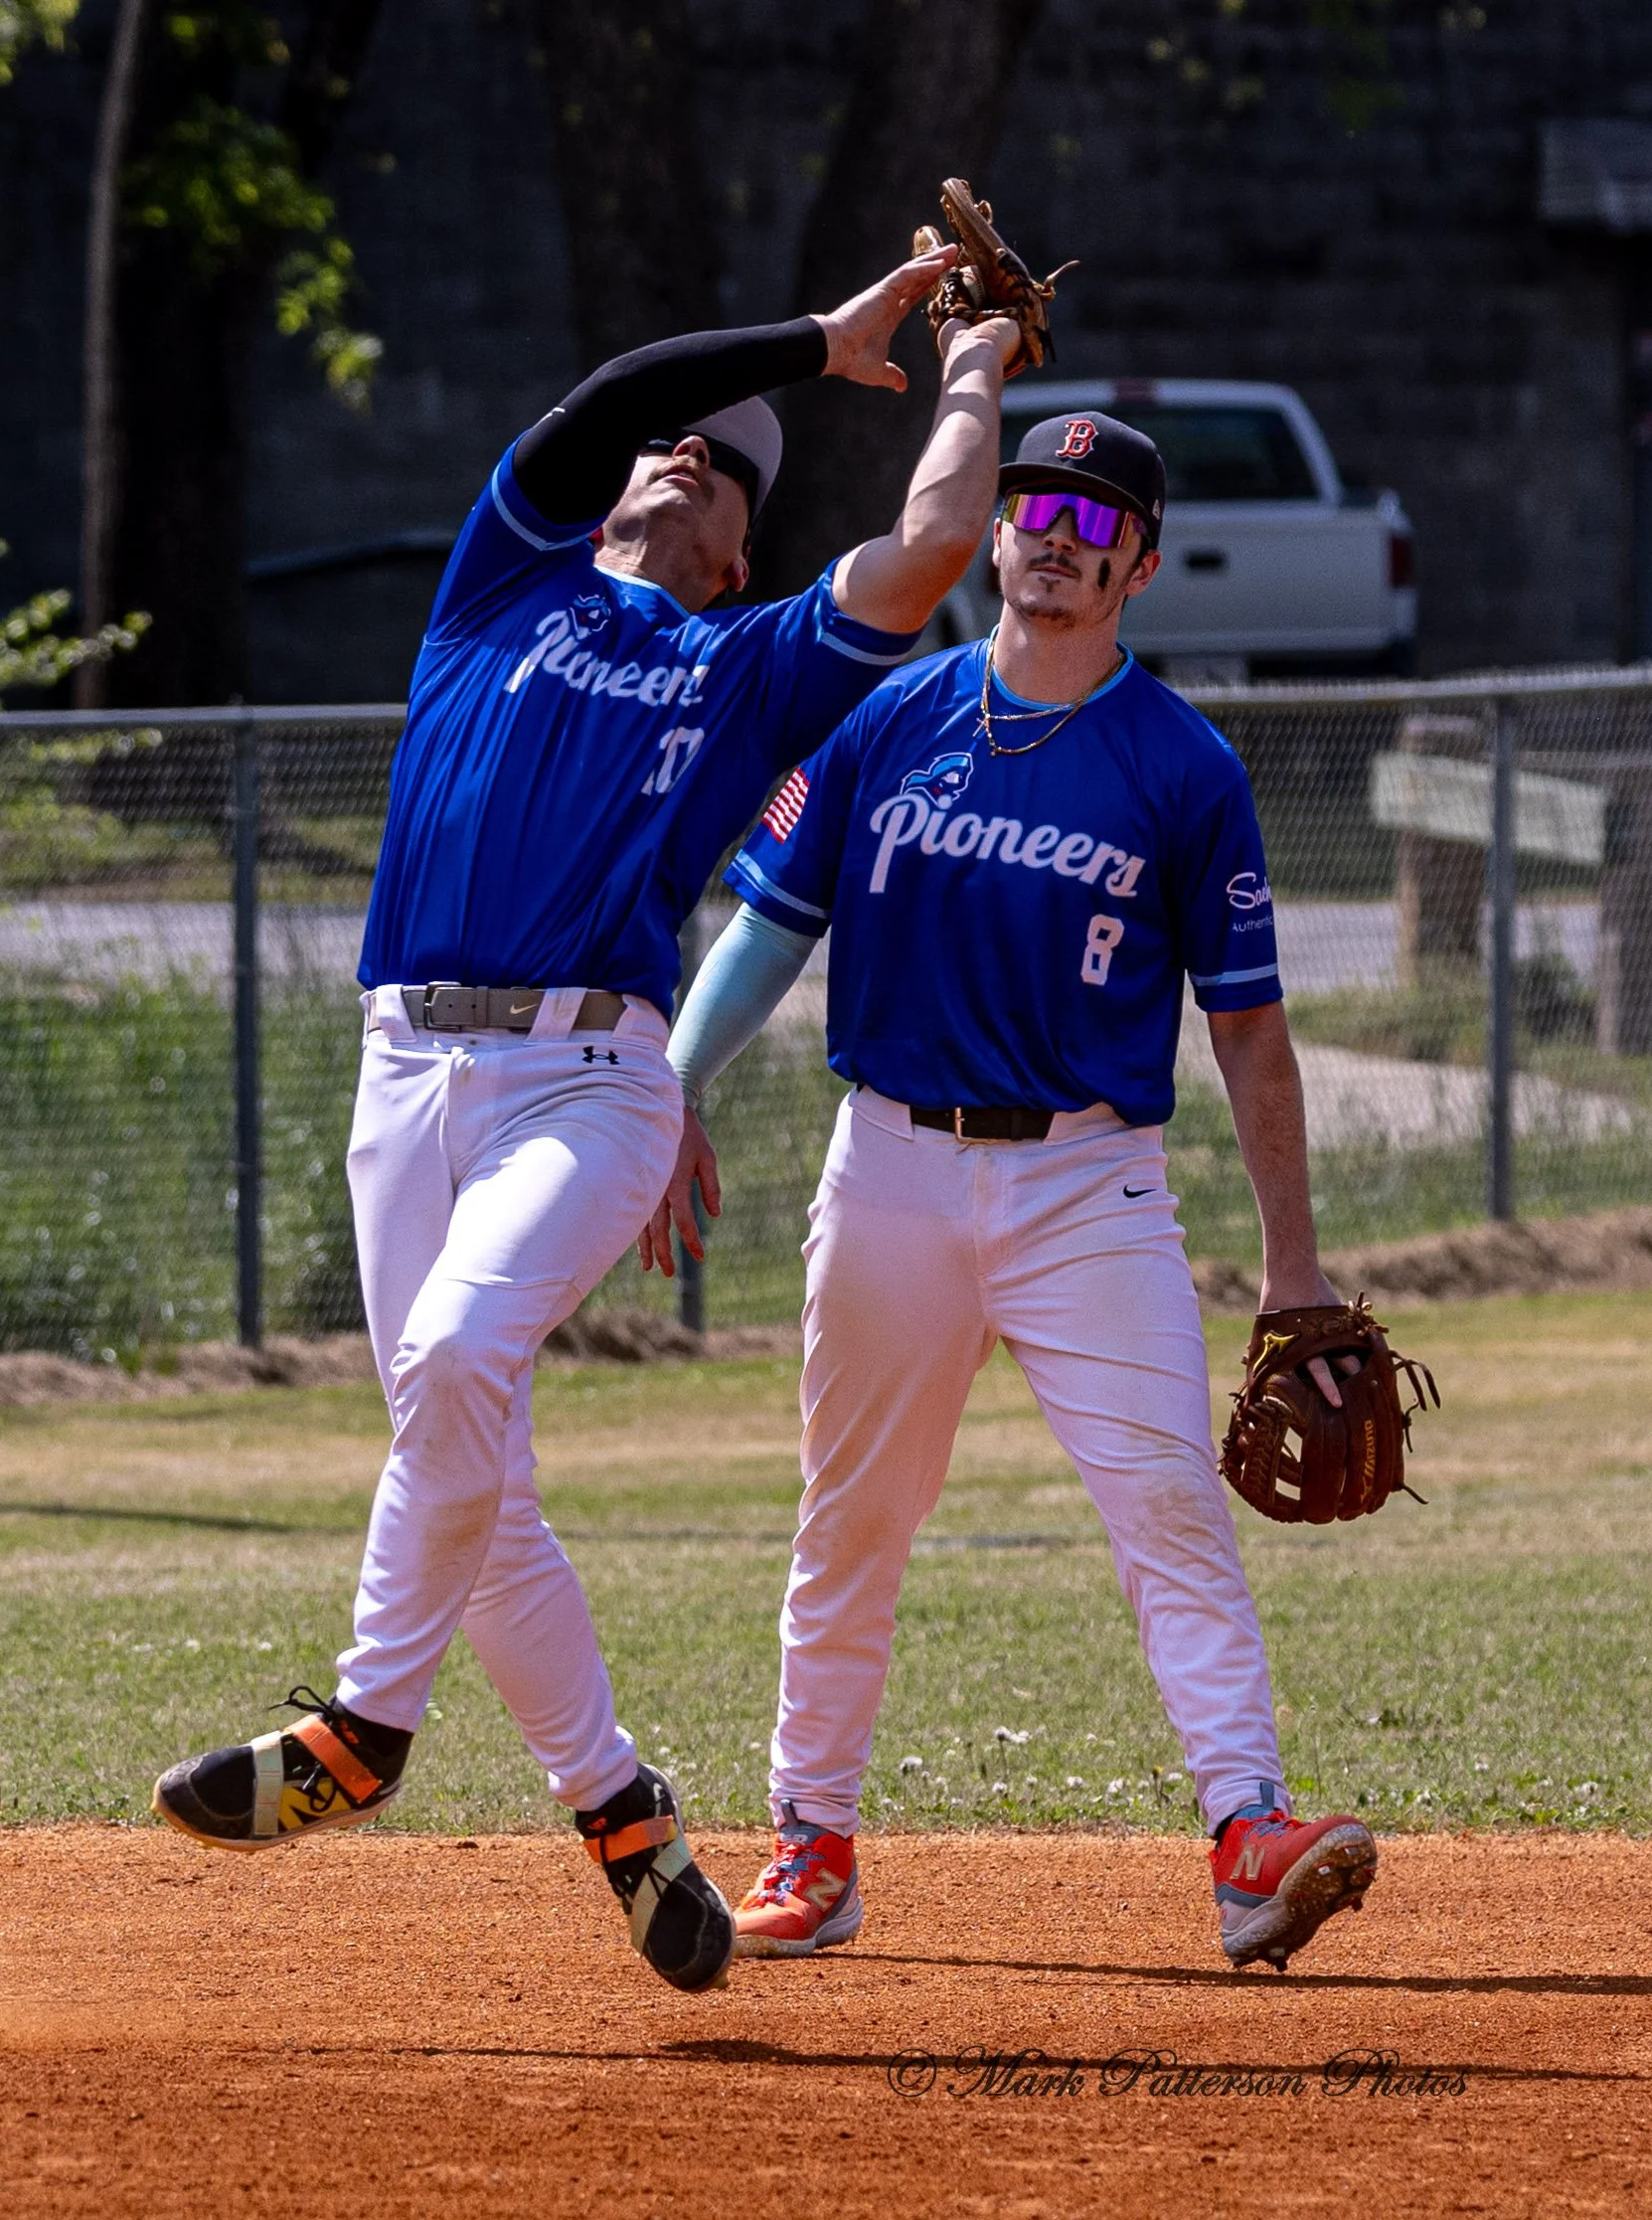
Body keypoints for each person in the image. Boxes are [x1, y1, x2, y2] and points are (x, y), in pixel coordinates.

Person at [152, 253, 1023, 1996]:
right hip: (403, 1072)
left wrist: (970, 376)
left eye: (731, 464)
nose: (687, 456)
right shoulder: (498, 580)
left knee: (464, 1355)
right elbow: (605, 397)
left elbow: (931, 553)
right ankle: (622, 1815)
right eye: (669, 445)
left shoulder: (752, 665)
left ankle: (357, 1739)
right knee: (473, 1471)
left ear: (745, 549)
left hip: (592, 1078)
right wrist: (809, 346)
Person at [643, 409, 1380, 1974]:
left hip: (1088, 1186)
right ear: (991, 534)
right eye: (1034, 504)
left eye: (1095, 519)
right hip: (892, 1168)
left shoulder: (1181, 765)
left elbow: (1248, 1034)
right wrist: (669, 1092)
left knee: (1169, 1505)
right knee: (852, 1521)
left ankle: (1250, 1832)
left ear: (1141, 568)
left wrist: (1293, 1266)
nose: (1056, 532)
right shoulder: (888, 719)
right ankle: (810, 1845)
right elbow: (768, 931)